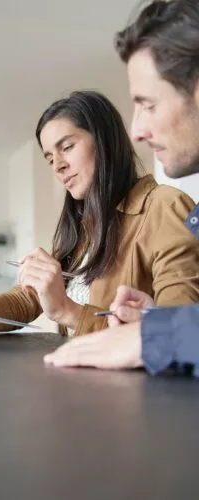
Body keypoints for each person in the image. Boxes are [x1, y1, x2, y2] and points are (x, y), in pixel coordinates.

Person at [0, 90, 199, 337]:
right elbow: (29, 298)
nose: (58, 166)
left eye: (67, 147)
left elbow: (181, 333)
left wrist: (66, 311)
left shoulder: (165, 206)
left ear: (105, 141)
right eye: (49, 158)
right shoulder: (87, 226)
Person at [43, 0, 199, 377]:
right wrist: (153, 319)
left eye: (148, 104)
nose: (137, 131)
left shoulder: (166, 205)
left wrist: (157, 334)